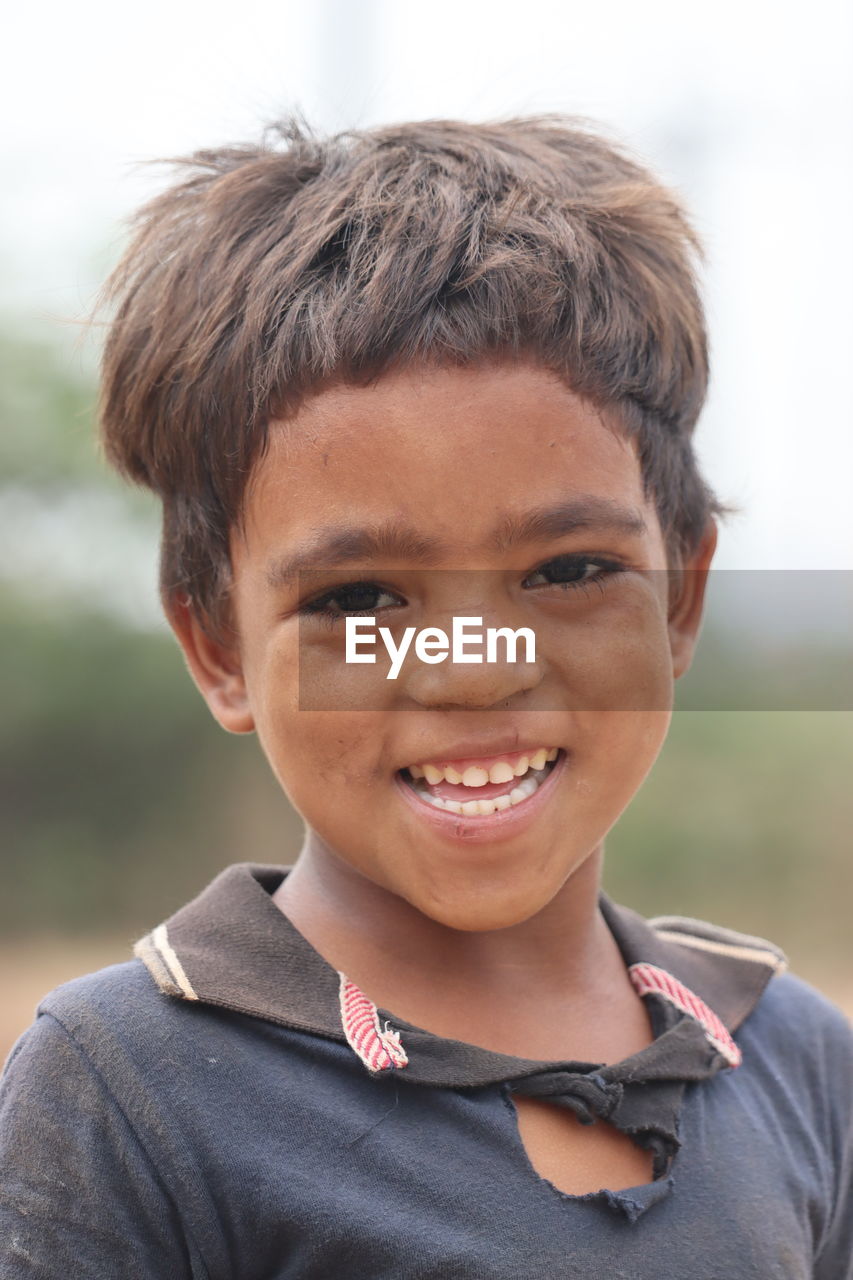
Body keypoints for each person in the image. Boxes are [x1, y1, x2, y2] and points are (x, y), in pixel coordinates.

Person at [1, 115, 850, 1279]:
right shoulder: (128, 1092)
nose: (472, 666)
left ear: (680, 600)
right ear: (218, 645)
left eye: (567, 572)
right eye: (360, 597)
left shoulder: (793, 1062)